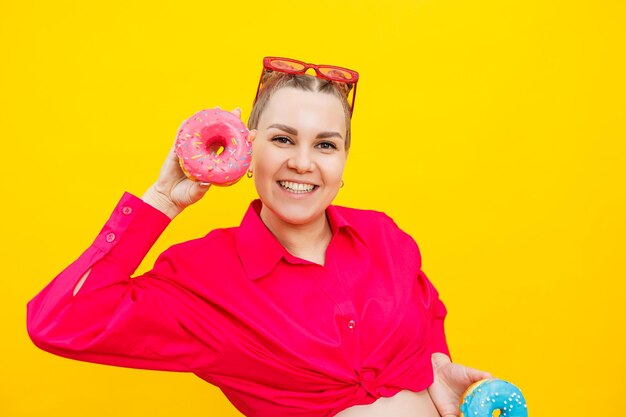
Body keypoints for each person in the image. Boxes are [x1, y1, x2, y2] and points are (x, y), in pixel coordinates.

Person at [26, 56, 492, 417]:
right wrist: (161, 201)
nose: (303, 163)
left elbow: (428, 320)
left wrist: (436, 377)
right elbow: (59, 322)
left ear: (344, 162)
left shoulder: (385, 238)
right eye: (283, 139)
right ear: (245, 152)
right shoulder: (204, 277)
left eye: (325, 144)